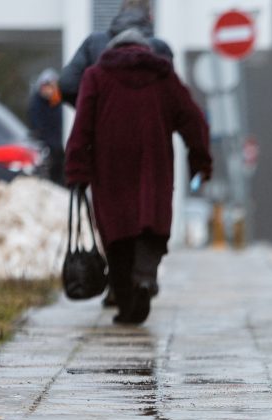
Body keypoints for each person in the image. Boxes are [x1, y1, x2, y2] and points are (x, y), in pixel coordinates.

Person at [64, 29, 212, 325]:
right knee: (150, 229)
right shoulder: (163, 76)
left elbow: (81, 128)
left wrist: (77, 170)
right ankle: (144, 277)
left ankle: (126, 304)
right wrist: (199, 160)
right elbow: (194, 120)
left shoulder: (96, 76)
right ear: (147, 50)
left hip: (110, 171)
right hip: (153, 169)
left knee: (117, 237)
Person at [59, 0, 173, 107]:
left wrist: (91, 110)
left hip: (104, 124)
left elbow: (67, 85)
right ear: (150, 17)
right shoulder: (159, 47)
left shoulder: (94, 42)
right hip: (150, 124)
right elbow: (173, 97)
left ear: (120, 14)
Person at [27, 68, 64, 185]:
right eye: (47, 86)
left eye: (53, 86)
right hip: (46, 147)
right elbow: (38, 127)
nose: (50, 90)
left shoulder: (57, 103)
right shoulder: (37, 104)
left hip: (58, 148)